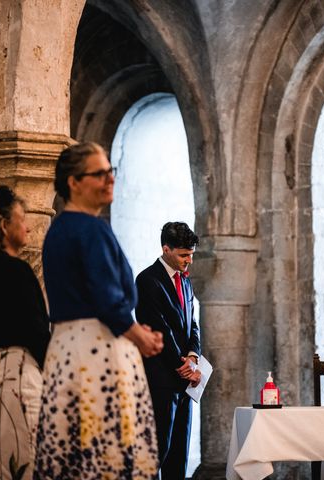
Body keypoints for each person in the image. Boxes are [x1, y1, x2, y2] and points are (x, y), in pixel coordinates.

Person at [34, 142, 163, 479]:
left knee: (73, 453)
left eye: (111, 171)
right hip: (97, 352)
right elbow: (106, 299)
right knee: (105, 454)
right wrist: (140, 337)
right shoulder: (90, 228)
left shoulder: (58, 229)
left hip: (65, 348)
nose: (110, 180)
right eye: (99, 174)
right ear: (74, 182)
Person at [0, 185, 51, 480]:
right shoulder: (17, 272)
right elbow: (38, 334)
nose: (27, 226)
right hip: (16, 378)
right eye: (21, 218)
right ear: (4, 225)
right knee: (29, 464)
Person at [135, 221, 201, 480]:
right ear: (166, 249)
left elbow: (192, 324)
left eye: (191, 255)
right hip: (160, 380)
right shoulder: (147, 280)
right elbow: (156, 327)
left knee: (179, 456)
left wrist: (193, 356)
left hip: (185, 382)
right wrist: (181, 364)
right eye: (184, 255)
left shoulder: (185, 282)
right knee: (156, 452)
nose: (189, 261)